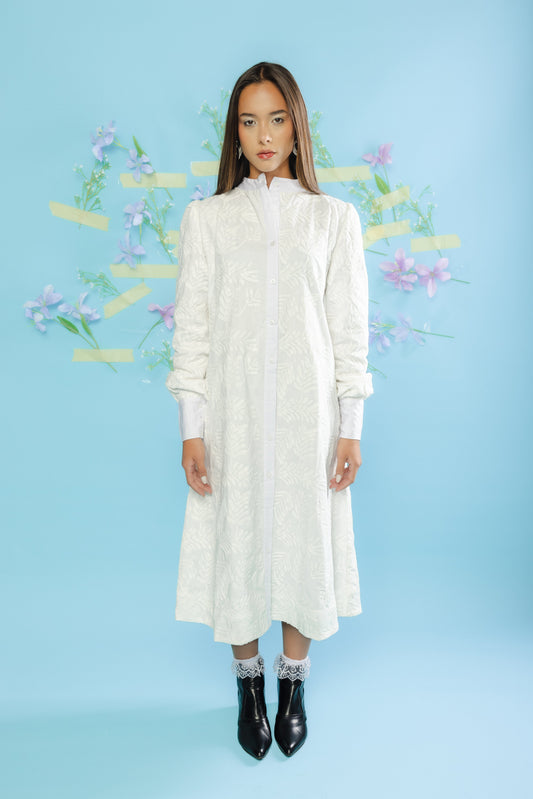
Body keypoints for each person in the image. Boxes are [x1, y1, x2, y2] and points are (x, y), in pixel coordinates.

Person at [166, 61, 374, 760]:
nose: (263, 136)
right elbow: (192, 331)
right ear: (234, 132)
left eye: (276, 119)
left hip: (309, 419)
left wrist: (350, 427)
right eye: (249, 121)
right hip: (232, 415)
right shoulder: (208, 220)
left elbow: (348, 330)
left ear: (296, 128)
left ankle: (293, 685)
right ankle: (248, 685)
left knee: (302, 540)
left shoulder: (332, 219)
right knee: (239, 538)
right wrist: (192, 430)